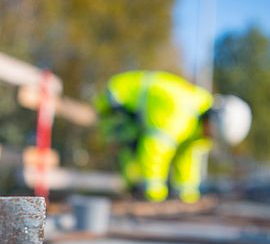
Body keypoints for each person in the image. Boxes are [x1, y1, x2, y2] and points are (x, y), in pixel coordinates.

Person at [95, 70, 252, 203]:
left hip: (136, 111)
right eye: (213, 133)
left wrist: (188, 197)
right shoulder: (180, 114)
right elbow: (154, 151)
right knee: (131, 148)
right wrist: (154, 194)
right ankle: (130, 191)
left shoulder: (200, 129)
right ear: (212, 118)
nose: (210, 138)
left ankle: (131, 191)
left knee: (136, 161)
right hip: (118, 99)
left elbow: (188, 159)